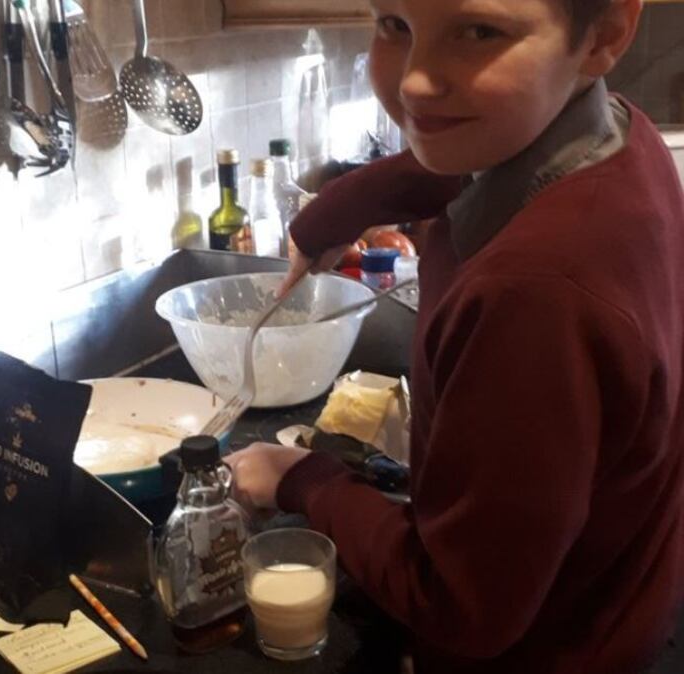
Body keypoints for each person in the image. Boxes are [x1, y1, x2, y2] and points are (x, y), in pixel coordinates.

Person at [225, 0, 684, 671]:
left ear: (605, 33)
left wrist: (306, 479)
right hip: (621, 605)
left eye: (479, 31)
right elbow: (459, 163)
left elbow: (462, 608)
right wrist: (337, 211)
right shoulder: (616, 135)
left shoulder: (531, 294)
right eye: (395, 25)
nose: (414, 80)